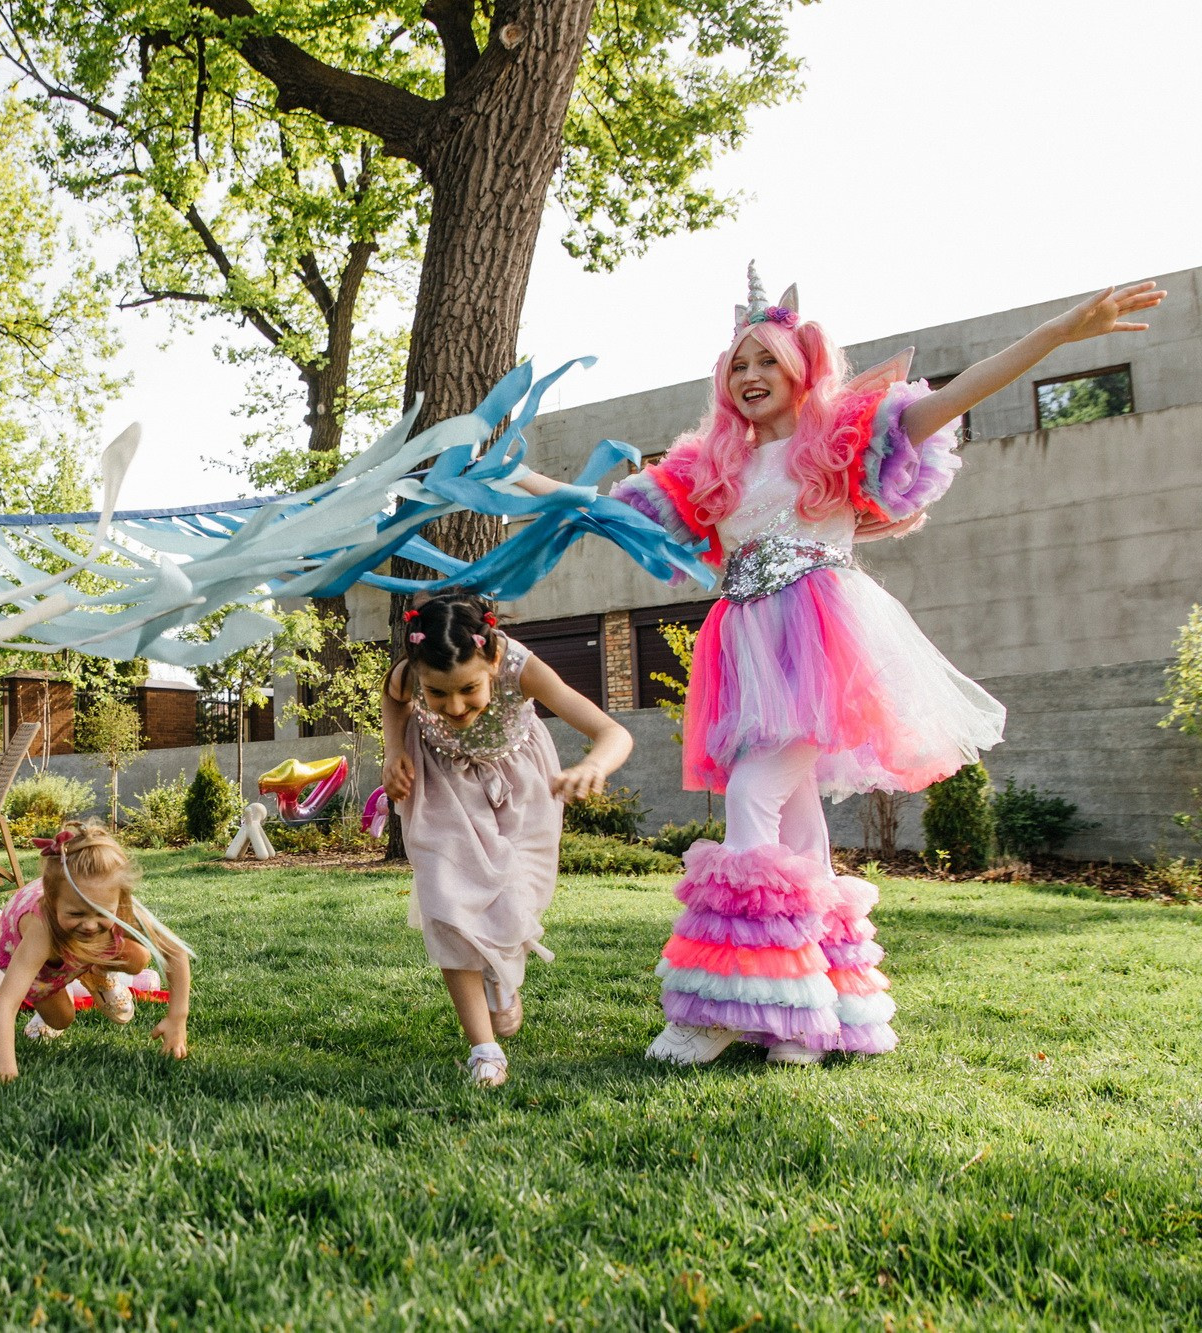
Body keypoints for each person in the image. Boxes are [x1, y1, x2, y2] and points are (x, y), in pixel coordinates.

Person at [541, 267, 1165, 1066]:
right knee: (800, 827)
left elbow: (959, 394)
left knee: (755, 799)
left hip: (821, 643)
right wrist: (498, 484)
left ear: (801, 366)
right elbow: (594, 509)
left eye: (766, 360)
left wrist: (1059, 333)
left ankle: (728, 1005)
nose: (751, 377)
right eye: (738, 365)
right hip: (745, 646)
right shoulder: (710, 468)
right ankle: (817, 1011)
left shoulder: (841, 440)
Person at [380, 592, 633, 1087]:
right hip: (441, 780)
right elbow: (392, 701)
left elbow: (612, 732)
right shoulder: (409, 671)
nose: (454, 706)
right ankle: (484, 1050)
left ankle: (500, 970)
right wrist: (393, 751)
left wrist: (592, 766)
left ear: (492, 660)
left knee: (517, 898)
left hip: (521, 778)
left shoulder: (521, 666)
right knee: (447, 900)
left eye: (469, 689)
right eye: (437, 694)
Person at [0, 822, 194, 1083]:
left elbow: (174, 952)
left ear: (119, 900)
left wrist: (177, 1018)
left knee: (138, 957)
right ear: (51, 901)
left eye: (102, 913)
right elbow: (6, 1004)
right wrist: (6, 1073)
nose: (89, 924)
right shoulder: (42, 929)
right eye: (76, 914)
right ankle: (78, 976)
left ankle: (96, 973)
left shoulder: (118, 907)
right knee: (61, 1020)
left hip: (79, 941)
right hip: (46, 965)